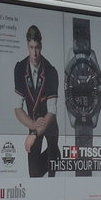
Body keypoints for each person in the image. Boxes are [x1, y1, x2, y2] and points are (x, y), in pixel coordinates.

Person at [13, 24, 60, 177]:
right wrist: (33, 126)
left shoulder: (51, 72)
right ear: (27, 45)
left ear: (41, 45)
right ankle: (56, 157)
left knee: (52, 167)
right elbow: (18, 108)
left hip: (49, 125)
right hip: (32, 122)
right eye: (31, 47)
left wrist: (34, 133)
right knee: (33, 174)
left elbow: (52, 113)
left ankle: (55, 156)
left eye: (37, 47)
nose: (34, 53)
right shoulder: (19, 69)